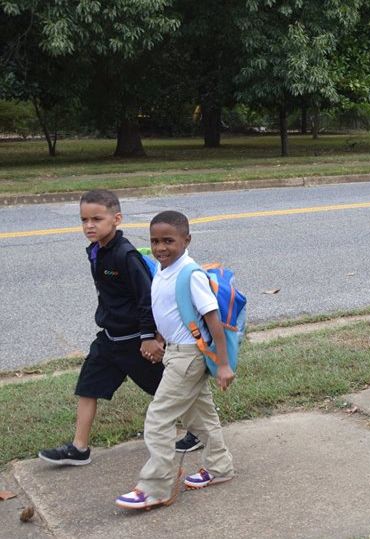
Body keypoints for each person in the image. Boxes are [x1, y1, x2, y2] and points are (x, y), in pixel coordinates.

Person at [38, 190, 197, 467]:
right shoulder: (97, 250)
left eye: (97, 219)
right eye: (84, 220)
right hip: (109, 338)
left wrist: (149, 337)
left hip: (135, 340)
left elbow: (148, 298)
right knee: (88, 386)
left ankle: (198, 431)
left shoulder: (126, 255)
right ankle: (79, 448)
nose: (89, 225)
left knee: (167, 389)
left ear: (117, 219)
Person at [116, 210, 235, 510]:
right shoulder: (162, 270)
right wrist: (158, 338)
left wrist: (222, 364)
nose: (160, 248)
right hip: (175, 352)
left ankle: (157, 486)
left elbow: (213, 320)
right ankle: (220, 468)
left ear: (187, 240)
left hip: (189, 357)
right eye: (155, 241)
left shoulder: (190, 274)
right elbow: (167, 311)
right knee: (201, 416)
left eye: (168, 241)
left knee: (158, 419)